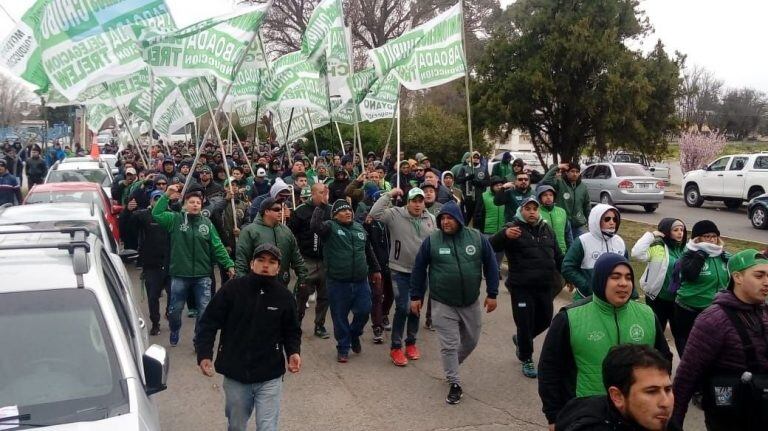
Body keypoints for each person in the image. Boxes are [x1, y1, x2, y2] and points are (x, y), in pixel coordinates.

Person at [538, 253, 672, 427]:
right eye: (615, 277)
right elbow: (549, 369)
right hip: (586, 415)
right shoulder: (569, 318)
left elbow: (663, 361)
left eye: (628, 277)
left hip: (636, 415)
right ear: (600, 280)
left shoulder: (647, 315)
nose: (623, 283)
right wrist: (553, 415)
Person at [195, 244, 301, 431]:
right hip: (236, 374)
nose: (265, 265)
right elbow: (208, 323)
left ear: (279, 267)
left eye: (272, 262)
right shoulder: (232, 290)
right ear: (252, 264)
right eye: (261, 260)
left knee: (267, 427)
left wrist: (293, 352)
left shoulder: (284, 297)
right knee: (236, 425)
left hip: (270, 375)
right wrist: (204, 354)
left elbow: (292, 330)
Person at [411, 201, 499, 404]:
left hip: (470, 301)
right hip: (443, 302)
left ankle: (451, 365)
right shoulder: (432, 241)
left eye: (449, 218)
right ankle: (454, 382)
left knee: (471, 340)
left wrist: (493, 293)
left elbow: (491, 264)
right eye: (442, 218)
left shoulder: (476, 237)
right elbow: (418, 269)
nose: (445, 222)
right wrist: (416, 297)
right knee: (449, 344)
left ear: (458, 219)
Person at [671, 249, 768, 430]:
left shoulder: (764, 312)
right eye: (759, 275)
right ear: (737, 277)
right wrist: (674, 423)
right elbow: (686, 376)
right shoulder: (713, 320)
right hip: (731, 418)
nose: (766, 282)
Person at [152, 184, 236, 347]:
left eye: (198, 202)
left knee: (204, 310)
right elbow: (157, 214)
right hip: (179, 275)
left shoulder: (207, 224)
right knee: (175, 311)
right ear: (185, 204)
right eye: (192, 202)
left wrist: (229, 264)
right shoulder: (175, 220)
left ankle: (199, 338)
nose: (195, 205)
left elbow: (217, 246)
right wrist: (166, 195)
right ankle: (175, 329)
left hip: (202, 275)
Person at [491, 197, 563, 378]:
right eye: (527, 208)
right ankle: (526, 357)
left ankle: (523, 341)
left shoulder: (546, 229)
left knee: (546, 320)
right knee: (524, 323)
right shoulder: (512, 228)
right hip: (522, 287)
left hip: (545, 285)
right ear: (520, 211)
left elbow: (558, 256)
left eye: (535, 209)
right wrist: (504, 235)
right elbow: (491, 244)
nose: (532, 212)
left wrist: (567, 274)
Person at [370, 187, 437, 366]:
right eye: (414, 201)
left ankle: (411, 343)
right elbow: (375, 213)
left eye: (420, 201)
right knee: (403, 308)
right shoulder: (395, 214)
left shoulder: (430, 219)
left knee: (416, 308)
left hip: (421, 272)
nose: (417, 204)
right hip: (400, 270)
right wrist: (390, 194)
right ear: (408, 202)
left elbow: (435, 244)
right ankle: (396, 347)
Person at [311, 199, 381, 363]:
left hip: (360, 281)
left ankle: (354, 335)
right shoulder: (329, 227)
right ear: (335, 215)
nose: (348, 213)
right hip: (338, 282)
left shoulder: (359, 228)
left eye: (349, 210)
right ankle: (343, 347)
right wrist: (321, 207)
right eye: (343, 211)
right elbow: (314, 226)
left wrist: (376, 269)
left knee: (364, 310)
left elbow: (368, 251)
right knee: (340, 316)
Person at [556, 344, 678, 431]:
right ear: (617, 396)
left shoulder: (659, 420)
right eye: (651, 392)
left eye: (668, 389)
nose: (665, 402)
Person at [672, 220, 729, 356]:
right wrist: (700, 255)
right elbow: (690, 275)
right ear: (698, 238)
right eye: (707, 236)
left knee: (710, 348)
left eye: (714, 236)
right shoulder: (689, 254)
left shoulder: (720, 255)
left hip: (713, 311)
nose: (711, 240)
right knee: (688, 349)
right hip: (688, 310)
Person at [235, 197, 307, 290]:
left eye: (281, 209)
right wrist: (242, 284)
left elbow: (296, 257)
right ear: (266, 211)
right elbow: (241, 260)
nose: (280, 212)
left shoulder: (286, 231)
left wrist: (303, 278)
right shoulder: (249, 231)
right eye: (276, 209)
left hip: (281, 286)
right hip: (256, 287)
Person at [631, 219, 687, 338]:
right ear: (667, 231)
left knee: (680, 334)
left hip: (678, 300)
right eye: (675, 230)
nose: (680, 233)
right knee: (656, 333)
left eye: (682, 230)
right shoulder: (658, 247)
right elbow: (637, 253)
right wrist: (651, 235)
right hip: (657, 299)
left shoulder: (686, 249)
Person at [288, 183, 331, 339]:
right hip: (306, 259)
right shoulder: (300, 211)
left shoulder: (330, 210)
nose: (324, 195)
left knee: (324, 296)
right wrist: (294, 259)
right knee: (302, 293)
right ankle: (296, 323)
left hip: (325, 260)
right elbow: (291, 235)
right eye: (321, 192)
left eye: (326, 192)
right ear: (313, 194)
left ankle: (319, 325)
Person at [561, 203, 627, 300]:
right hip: (586, 298)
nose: (612, 222)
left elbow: (626, 269)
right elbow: (567, 267)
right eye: (607, 219)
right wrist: (586, 286)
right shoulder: (582, 241)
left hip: (613, 299)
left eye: (615, 219)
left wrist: (632, 294)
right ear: (596, 220)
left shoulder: (620, 242)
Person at [131, 190, 170, 335]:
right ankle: (155, 323)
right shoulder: (143, 216)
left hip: (170, 264)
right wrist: (128, 212)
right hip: (151, 265)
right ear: (151, 201)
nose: (158, 202)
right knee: (153, 297)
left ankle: (170, 314)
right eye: (156, 199)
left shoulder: (172, 217)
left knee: (174, 296)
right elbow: (128, 226)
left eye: (161, 199)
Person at [541, 162, 591, 237]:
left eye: (577, 172)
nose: (575, 174)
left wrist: (589, 221)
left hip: (578, 224)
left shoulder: (583, 187)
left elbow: (587, 205)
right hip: (563, 223)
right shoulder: (560, 183)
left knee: (582, 245)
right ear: (567, 173)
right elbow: (545, 180)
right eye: (572, 171)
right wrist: (558, 167)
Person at [474, 176, 507, 269]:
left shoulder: (505, 195)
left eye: (501, 185)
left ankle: (497, 268)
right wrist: (477, 228)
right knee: (488, 251)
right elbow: (477, 212)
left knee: (500, 251)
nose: (499, 187)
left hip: (501, 228)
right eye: (497, 185)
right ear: (492, 186)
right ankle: (487, 268)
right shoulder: (484, 195)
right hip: (487, 229)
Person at [536, 185, 572, 257]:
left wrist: (570, 250)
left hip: (562, 251)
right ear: (540, 197)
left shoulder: (562, 211)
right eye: (545, 195)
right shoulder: (536, 212)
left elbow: (568, 233)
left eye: (551, 195)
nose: (548, 197)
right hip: (544, 253)